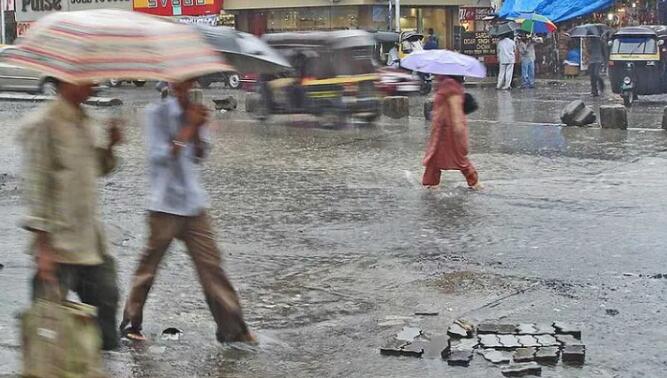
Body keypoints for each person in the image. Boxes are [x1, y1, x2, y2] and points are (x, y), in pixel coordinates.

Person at [120, 78, 254, 343]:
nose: (183, 88)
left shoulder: (196, 111)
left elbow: (199, 155)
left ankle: (233, 330)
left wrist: (198, 130)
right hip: (164, 205)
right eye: (177, 84)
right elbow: (159, 157)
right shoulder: (155, 114)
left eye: (187, 83)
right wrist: (187, 128)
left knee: (212, 267)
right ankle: (130, 324)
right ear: (169, 84)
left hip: (193, 205)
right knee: (148, 268)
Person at [20, 79, 123, 351]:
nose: (92, 84)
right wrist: (43, 248)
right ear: (66, 81)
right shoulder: (45, 124)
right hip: (58, 245)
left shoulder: (85, 120)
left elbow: (98, 169)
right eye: (85, 79)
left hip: (91, 243)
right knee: (47, 329)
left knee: (107, 306)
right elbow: (35, 185)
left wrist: (111, 145)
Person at [422, 76, 481, 190]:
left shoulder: (449, 84)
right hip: (442, 127)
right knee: (435, 157)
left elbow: (455, 105)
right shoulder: (445, 83)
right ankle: (431, 184)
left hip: (448, 129)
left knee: (458, 158)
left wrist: (458, 125)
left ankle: (474, 182)